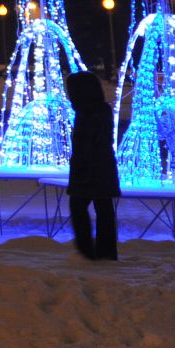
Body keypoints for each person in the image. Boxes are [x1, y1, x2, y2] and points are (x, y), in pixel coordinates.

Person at [65, 70, 121, 260]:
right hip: (103, 168)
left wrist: (82, 171)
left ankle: (87, 251)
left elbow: (86, 145)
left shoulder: (87, 114)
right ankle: (105, 251)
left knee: (79, 207)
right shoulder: (101, 110)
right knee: (103, 208)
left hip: (90, 170)